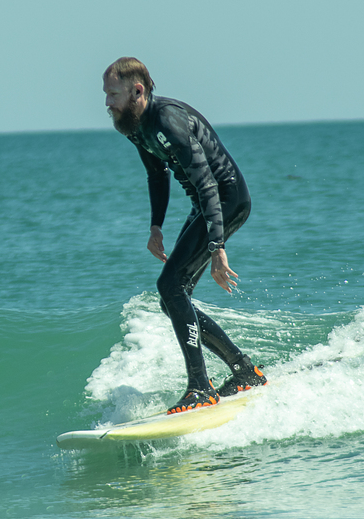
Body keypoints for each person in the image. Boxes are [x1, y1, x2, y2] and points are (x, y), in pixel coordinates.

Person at [102, 56, 268, 414]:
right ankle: (244, 370)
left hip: (225, 200)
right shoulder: (133, 125)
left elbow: (208, 184)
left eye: (113, 94)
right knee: (172, 297)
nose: (107, 102)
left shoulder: (168, 120)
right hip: (206, 205)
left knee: (170, 285)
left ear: (137, 91)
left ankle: (200, 387)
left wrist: (217, 247)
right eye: (106, 94)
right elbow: (157, 174)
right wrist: (156, 226)